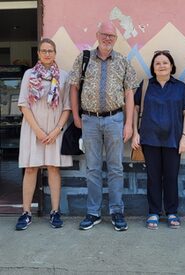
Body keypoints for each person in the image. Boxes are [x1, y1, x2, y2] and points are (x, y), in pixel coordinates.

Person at [69, 21, 138, 231]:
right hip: (89, 120)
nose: (108, 38)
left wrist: (128, 124)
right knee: (93, 168)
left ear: (116, 39)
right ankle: (93, 212)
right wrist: (76, 116)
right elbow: (73, 88)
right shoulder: (84, 58)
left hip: (115, 120)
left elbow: (129, 94)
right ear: (97, 35)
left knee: (116, 168)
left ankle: (117, 211)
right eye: (105, 34)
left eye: (112, 36)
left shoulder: (123, 62)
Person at [15, 38, 72, 230]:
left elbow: (67, 107)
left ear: (55, 53)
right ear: (38, 53)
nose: (47, 54)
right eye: (43, 50)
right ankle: (26, 212)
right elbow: (23, 104)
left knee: (53, 168)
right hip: (33, 129)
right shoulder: (29, 75)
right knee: (31, 168)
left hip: (55, 130)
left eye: (50, 50)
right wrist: (38, 131)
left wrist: (56, 130)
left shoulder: (64, 76)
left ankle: (55, 212)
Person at [132, 50, 185, 230]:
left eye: (165, 62)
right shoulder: (145, 86)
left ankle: (172, 212)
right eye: (157, 63)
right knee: (153, 177)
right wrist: (135, 132)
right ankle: (154, 212)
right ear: (153, 67)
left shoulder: (181, 87)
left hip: (174, 139)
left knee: (171, 177)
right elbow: (135, 110)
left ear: (172, 66)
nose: (162, 66)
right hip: (149, 139)